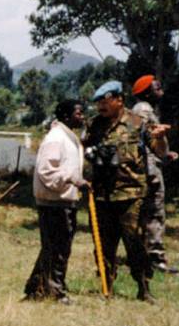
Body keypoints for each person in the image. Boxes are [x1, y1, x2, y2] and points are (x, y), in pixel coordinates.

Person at [85, 81, 168, 303]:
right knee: (103, 245)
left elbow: (159, 152)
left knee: (135, 242)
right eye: (98, 103)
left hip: (132, 195)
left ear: (119, 100)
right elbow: (85, 151)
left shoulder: (137, 122)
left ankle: (143, 287)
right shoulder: (95, 126)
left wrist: (160, 138)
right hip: (103, 195)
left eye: (105, 101)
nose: (101, 106)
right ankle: (107, 287)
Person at [24, 99, 86, 304]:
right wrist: (73, 179)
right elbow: (46, 171)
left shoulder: (68, 138)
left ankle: (36, 286)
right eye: (79, 113)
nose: (83, 116)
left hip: (62, 200)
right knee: (58, 249)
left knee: (54, 247)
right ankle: (55, 291)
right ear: (67, 116)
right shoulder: (56, 139)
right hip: (54, 202)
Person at [132, 75, 179, 275]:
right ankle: (155, 259)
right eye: (157, 87)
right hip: (149, 170)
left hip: (149, 165)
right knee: (154, 213)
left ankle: (145, 255)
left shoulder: (146, 109)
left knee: (147, 214)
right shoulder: (143, 110)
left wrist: (165, 153)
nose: (161, 90)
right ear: (146, 92)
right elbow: (138, 138)